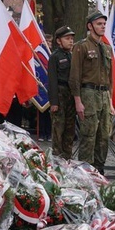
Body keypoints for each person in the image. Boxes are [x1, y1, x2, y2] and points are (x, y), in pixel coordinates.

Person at [69, 11, 113, 173]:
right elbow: (74, 76)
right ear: (90, 26)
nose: (102, 27)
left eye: (103, 24)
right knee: (89, 134)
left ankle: (99, 171)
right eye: (99, 24)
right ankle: (86, 172)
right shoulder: (82, 47)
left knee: (104, 135)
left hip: (104, 95)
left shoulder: (107, 48)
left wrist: (111, 101)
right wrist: (77, 101)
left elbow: (110, 78)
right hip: (88, 94)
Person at [48, 25, 75, 159]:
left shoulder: (72, 55)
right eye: (67, 38)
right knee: (59, 128)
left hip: (71, 94)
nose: (71, 41)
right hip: (60, 93)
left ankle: (67, 157)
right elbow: (52, 80)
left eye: (71, 38)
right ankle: (57, 158)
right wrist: (54, 102)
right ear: (59, 41)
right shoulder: (55, 57)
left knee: (70, 129)